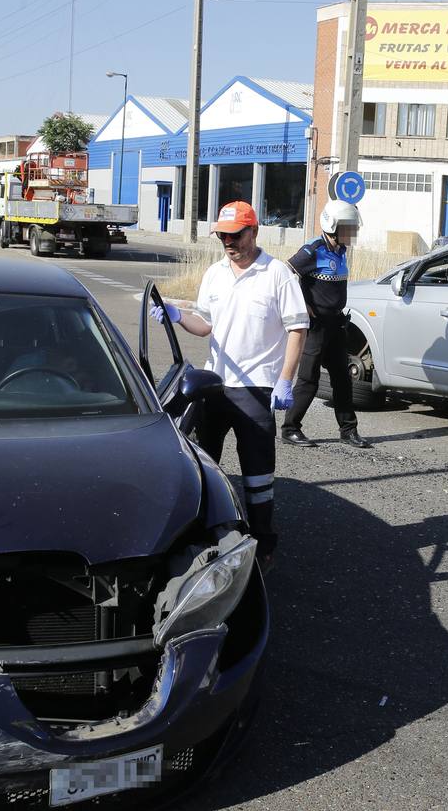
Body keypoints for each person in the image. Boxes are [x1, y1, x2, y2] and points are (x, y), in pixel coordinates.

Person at [152, 201, 308, 566]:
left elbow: (298, 328)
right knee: (206, 466)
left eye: (235, 235)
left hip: (257, 389)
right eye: (222, 236)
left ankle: (263, 544)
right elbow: (206, 324)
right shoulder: (215, 274)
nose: (228, 243)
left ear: (254, 232)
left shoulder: (277, 274)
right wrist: (178, 315)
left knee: (258, 475)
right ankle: (208, 534)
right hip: (216, 385)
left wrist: (285, 380)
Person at [279, 200, 369, 448]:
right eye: (348, 228)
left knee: (342, 379)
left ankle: (348, 430)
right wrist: (301, 303)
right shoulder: (314, 250)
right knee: (308, 379)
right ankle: (290, 429)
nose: (352, 233)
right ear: (332, 226)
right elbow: (285, 274)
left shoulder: (341, 250)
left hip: (337, 325)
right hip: (316, 326)